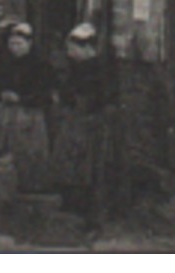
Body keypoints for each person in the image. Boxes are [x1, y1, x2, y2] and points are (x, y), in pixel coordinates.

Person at [49, 23, 110, 228]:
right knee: (71, 164)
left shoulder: (96, 69)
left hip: (87, 124)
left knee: (85, 167)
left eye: (73, 48)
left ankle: (85, 211)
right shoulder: (77, 67)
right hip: (76, 122)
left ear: (86, 48)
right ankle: (73, 205)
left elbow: (91, 98)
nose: (69, 53)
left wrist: (72, 101)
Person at [0, 20, 55, 194]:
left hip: (30, 115)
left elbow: (45, 94)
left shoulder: (41, 66)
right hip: (7, 115)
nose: (15, 48)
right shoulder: (4, 63)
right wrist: (2, 94)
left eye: (19, 44)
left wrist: (22, 98)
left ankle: (30, 186)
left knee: (29, 151)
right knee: (4, 150)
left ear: (29, 43)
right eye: (11, 44)